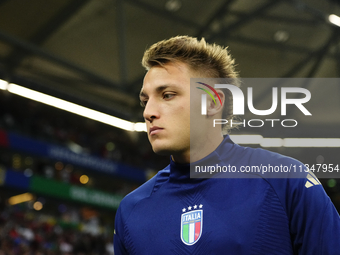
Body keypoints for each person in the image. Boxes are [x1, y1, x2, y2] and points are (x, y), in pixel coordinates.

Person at [113, 35, 340, 254]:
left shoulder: (287, 181)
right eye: (145, 100)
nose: (148, 112)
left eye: (168, 95)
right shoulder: (131, 211)